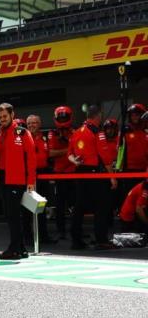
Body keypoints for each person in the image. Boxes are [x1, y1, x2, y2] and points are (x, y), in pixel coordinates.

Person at [0, 103, 36, 260]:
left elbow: (31, 158)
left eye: (5, 116)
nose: (2, 119)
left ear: (12, 115)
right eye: (0, 117)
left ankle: (14, 249)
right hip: (1, 179)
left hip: (16, 179)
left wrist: (31, 181)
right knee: (10, 215)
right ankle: (21, 249)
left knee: (13, 215)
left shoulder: (22, 132)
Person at [68, 104, 116, 250]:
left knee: (79, 207)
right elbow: (105, 157)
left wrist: (75, 161)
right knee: (102, 206)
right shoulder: (97, 132)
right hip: (95, 173)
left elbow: (69, 154)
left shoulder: (76, 132)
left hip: (80, 171)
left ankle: (76, 240)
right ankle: (101, 240)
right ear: (99, 116)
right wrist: (112, 177)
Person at [47, 106, 75, 240]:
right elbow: (51, 153)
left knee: (75, 204)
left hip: (74, 173)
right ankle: (61, 230)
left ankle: (76, 230)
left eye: (65, 118)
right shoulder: (52, 133)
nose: (63, 120)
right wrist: (69, 149)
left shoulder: (75, 132)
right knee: (60, 204)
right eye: (61, 118)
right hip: (60, 174)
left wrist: (65, 150)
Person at [26, 114, 53, 244]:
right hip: (29, 176)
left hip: (43, 174)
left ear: (40, 124)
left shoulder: (44, 138)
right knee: (27, 208)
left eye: (34, 123)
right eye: (29, 123)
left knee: (41, 206)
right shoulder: (24, 137)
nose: (31, 125)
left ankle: (44, 236)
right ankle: (27, 237)